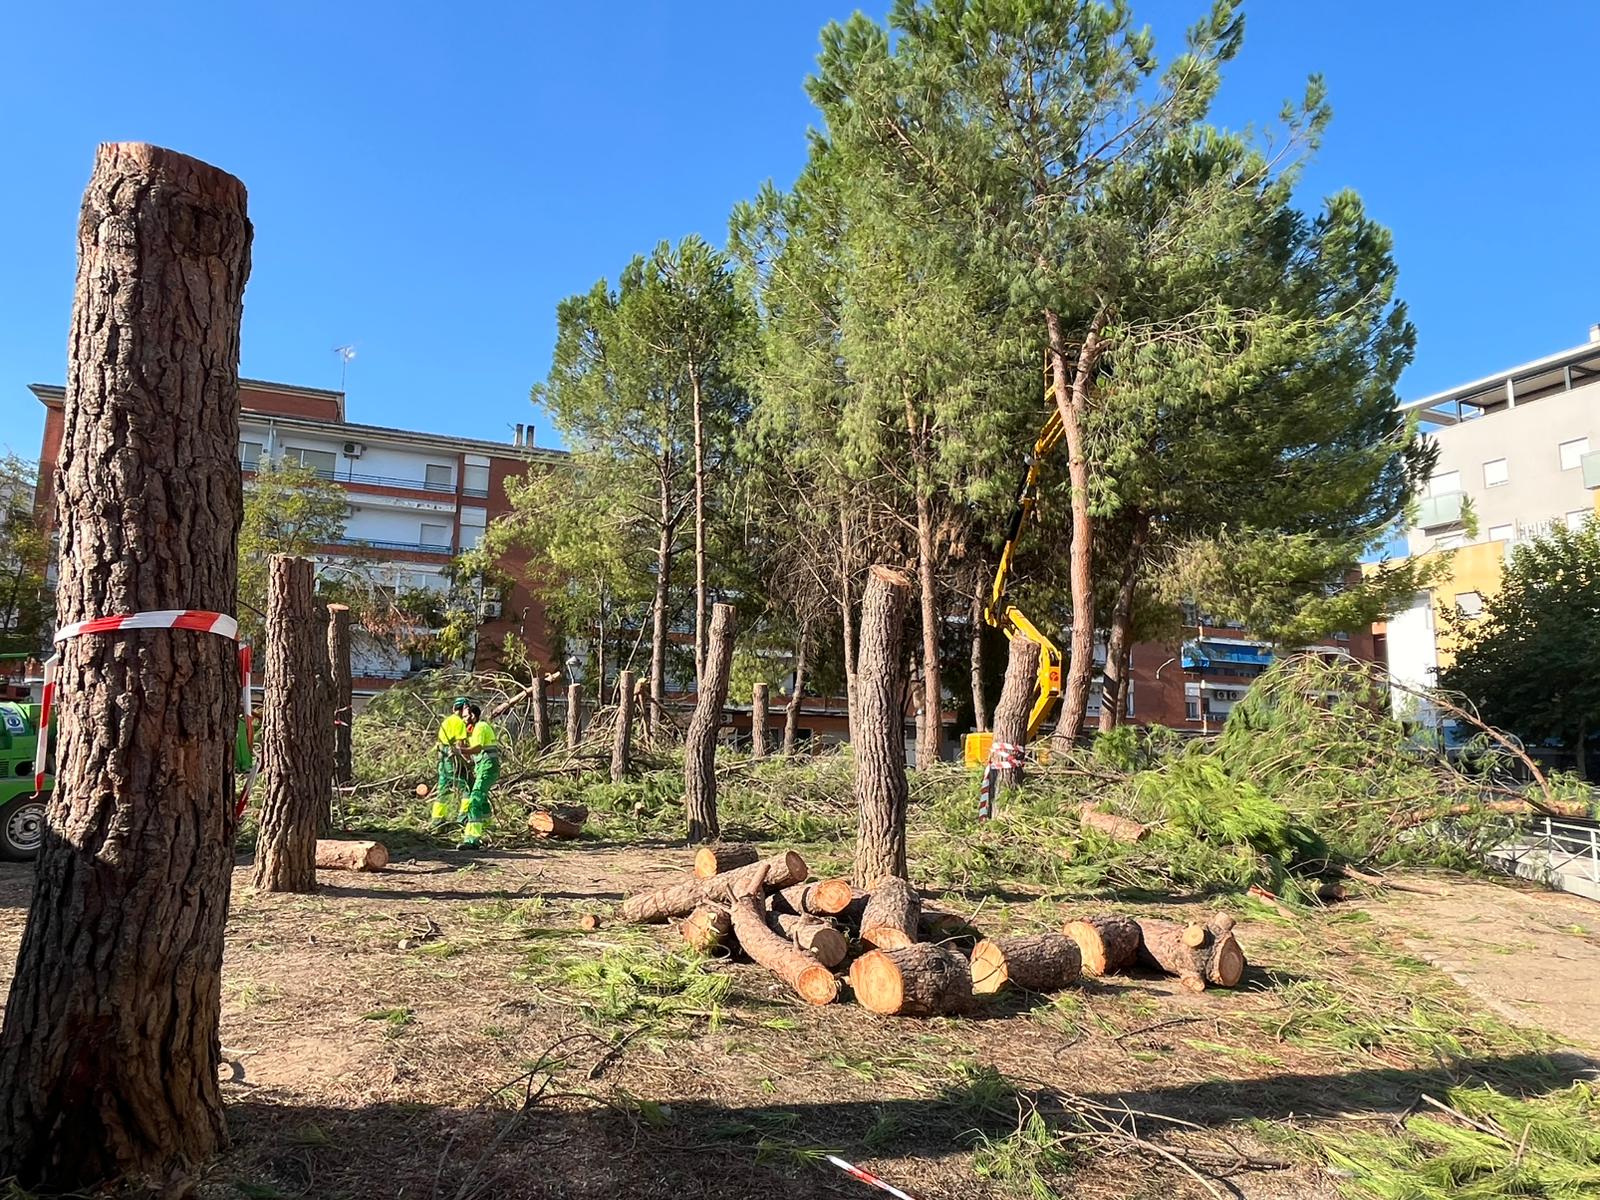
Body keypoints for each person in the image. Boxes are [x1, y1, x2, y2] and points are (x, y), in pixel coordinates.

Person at [458, 702, 499, 850]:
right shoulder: (474, 731)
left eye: (465, 716)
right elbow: (472, 755)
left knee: (474, 799)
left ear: (473, 716)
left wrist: (462, 750)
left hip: (488, 768)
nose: (463, 719)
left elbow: (477, 749)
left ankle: (472, 839)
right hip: (484, 768)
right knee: (482, 800)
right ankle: (488, 829)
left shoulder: (481, 727)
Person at [431, 697, 470, 828]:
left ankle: (437, 820)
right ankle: (463, 818)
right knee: (467, 787)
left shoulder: (446, 721)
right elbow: (460, 745)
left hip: (442, 758)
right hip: (452, 759)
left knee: (443, 789)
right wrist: (469, 761)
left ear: (454, 708)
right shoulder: (459, 723)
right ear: (465, 709)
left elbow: (439, 742)